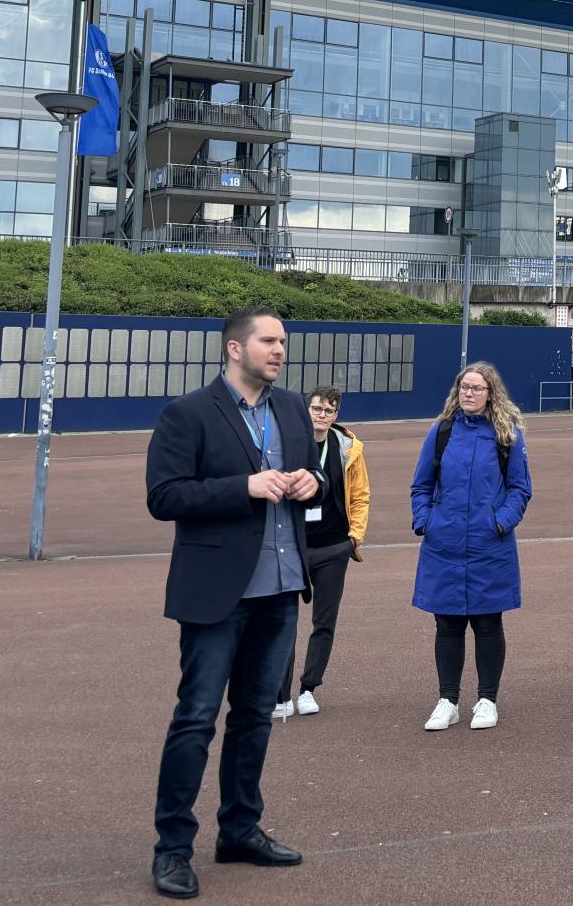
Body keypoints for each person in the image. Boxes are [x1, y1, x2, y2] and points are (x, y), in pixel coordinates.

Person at [145, 306, 323, 900]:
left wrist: (311, 484)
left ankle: (239, 829)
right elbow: (164, 496)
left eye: (283, 342)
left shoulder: (294, 409)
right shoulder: (188, 413)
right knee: (195, 720)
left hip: (280, 589)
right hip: (217, 595)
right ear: (234, 349)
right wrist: (242, 488)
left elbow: (317, 475)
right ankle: (172, 848)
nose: (280, 350)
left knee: (254, 719)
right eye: (268, 341)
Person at [411, 363, 533, 733]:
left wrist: (499, 521)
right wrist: (425, 521)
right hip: (443, 543)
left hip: (487, 545)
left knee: (487, 622)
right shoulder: (442, 431)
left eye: (477, 388)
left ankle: (487, 700)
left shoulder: (506, 435)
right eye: (464, 387)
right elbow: (421, 485)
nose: (469, 393)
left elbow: (520, 489)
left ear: (490, 393)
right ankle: (447, 700)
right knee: (446, 623)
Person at [272, 386, 370, 720]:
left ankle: (309, 689)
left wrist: (354, 539)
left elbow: (360, 496)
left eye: (329, 410)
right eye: (317, 409)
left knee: (324, 622)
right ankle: (281, 694)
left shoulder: (348, 448)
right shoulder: (289, 444)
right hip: (292, 547)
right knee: (283, 622)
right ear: (306, 410)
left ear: (336, 415)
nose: (322, 415)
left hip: (332, 547)